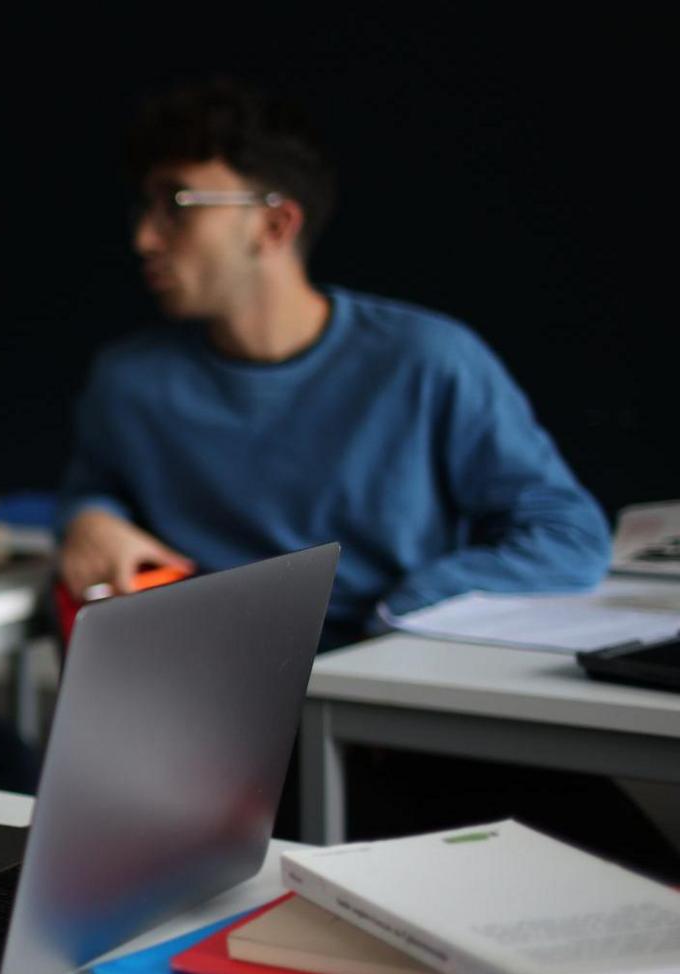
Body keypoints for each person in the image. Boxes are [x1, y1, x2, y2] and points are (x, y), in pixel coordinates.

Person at [56, 78, 609, 649]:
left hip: (390, 679)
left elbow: (568, 534)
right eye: (144, 208)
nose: (144, 238)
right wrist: (88, 518)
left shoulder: (426, 360)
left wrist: (406, 608)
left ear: (274, 225)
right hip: (209, 680)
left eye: (176, 205)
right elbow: (94, 486)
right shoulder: (128, 382)